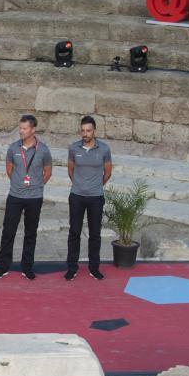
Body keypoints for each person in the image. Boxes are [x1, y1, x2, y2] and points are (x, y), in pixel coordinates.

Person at [0, 114, 52, 280]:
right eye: (20, 128)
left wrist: (37, 185)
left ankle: (27, 267)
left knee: (30, 233)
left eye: (24, 128)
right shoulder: (13, 148)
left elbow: (47, 171)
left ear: (33, 129)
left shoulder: (43, 149)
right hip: (15, 196)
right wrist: (18, 183)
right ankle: (3, 266)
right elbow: (9, 169)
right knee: (8, 232)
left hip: (34, 197)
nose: (21, 131)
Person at [66, 116, 112, 281]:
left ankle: (94, 268)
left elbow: (108, 172)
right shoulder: (73, 148)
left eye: (88, 130)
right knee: (74, 233)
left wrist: (96, 186)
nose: (85, 133)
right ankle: (72, 267)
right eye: (83, 130)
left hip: (96, 197)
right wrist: (79, 184)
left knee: (95, 234)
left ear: (94, 131)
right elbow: (70, 169)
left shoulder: (104, 149)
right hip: (77, 196)